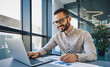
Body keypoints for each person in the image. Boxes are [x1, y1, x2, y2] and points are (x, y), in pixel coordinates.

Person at [28, 8, 97, 63]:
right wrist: (37, 53)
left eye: (61, 20)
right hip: (64, 64)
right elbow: (45, 49)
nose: (58, 25)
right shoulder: (57, 36)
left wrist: (76, 57)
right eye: (56, 22)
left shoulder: (84, 34)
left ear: (69, 19)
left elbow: (92, 55)